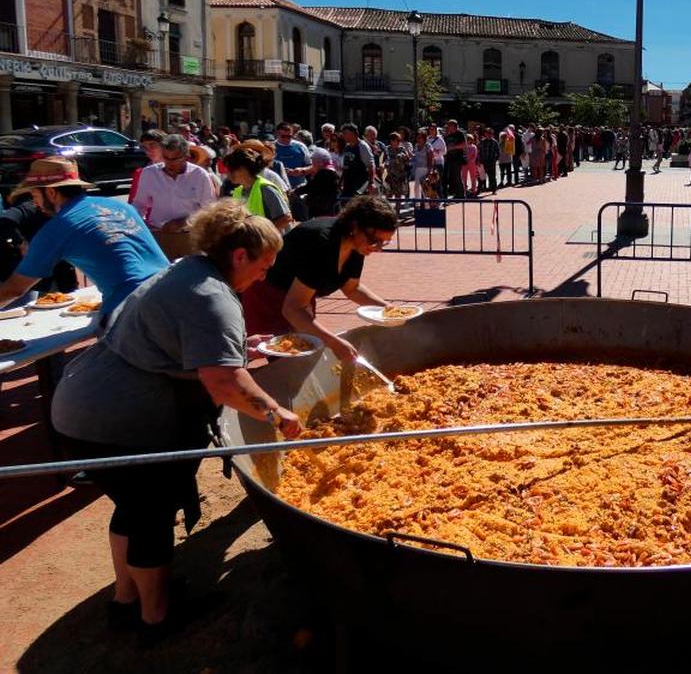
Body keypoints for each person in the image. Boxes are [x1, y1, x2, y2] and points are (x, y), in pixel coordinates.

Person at [51, 200, 301, 643]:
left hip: (80, 405)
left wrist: (241, 346)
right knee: (151, 513)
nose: (265, 276)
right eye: (264, 266)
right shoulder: (213, 296)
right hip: (121, 419)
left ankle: (126, 600)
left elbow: (184, 339)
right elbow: (224, 383)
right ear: (239, 255)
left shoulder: (187, 269)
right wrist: (278, 414)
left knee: (131, 508)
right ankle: (157, 617)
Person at [0, 158, 166, 320]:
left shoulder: (58, 227)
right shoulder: (121, 206)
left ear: (51, 192)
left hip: (130, 309)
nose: (35, 203)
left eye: (35, 195)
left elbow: (15, 288)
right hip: (169, 289)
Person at [240, 196, 399, 363]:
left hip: (300, 298)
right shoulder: (322, 242)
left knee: (303, 352)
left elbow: (352, 288)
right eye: (375, 241)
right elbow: (292, 309)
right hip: (268, 294)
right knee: (283, 356)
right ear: (355, 226)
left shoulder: (357, 246)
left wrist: (389, 310)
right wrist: (334, 342)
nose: (379, 248)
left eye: (384, 243)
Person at [130, 134, 217, 260]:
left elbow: (209, 210)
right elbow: (139, 204)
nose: (169, 163)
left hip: (189, 237)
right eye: (166, 158)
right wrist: (136, 225)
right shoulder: (149, 174)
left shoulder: (199, 175)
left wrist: (183, 222)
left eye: (175, 159)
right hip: (159, 236)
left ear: (186, 156)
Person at [225, 147, 292, 233]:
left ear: (243, 169)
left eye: (231, 169)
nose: (228, 173)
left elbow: (286, 218)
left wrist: (262, 234)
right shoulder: (237, 192)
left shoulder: (266, 189)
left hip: (275, 244)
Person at [272, 123, 313, 222]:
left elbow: (312, 166)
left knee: (303, 219)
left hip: (299, 190)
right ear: (277, 134)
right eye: (283, 136)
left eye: (289, 136)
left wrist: (301, 171)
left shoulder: (300, 146)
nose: (287, 139)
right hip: (279, 191)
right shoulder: (271, 147)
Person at [295, 148, 339, 218]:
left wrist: (295, 191)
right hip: (329, 206)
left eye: (313, 162)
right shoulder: (330, 170)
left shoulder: (324, 173)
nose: (312, 164)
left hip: (322, 209)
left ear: (320, 162)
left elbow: (311, 187)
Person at [338, 123, 376, 200]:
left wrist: (371, 182)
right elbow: (345, 167)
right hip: (348, 184)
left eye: (346, 133)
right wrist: (340, 182)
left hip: (359, 185)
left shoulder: (362, 146)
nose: (344, 136)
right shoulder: (347, 147)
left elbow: (370, 165)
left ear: (354, 134)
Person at [443, 120, 466, 199]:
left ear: (453, 126)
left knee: (457, 177)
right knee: (451, 177)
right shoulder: (448, 135)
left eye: (449, 125)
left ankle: (461, 195)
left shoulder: (459, 134)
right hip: (449, 158)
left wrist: (453, 147)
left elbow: (463, 145)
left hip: (457, 158)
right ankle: (456, 193)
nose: (448, 127)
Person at [479, 128, 500, 194]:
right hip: (483, 161)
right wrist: (479, 160)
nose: (488, 135)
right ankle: (482, 188)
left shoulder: (494, 142)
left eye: (490, 133)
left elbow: (498, 152)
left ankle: (494, 189)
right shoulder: (482, 141)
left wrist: (495, 159)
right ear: (485, 134)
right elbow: (479, 151)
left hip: (491, 161)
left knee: (492, 176)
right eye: (487, 133)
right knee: (482, 176)